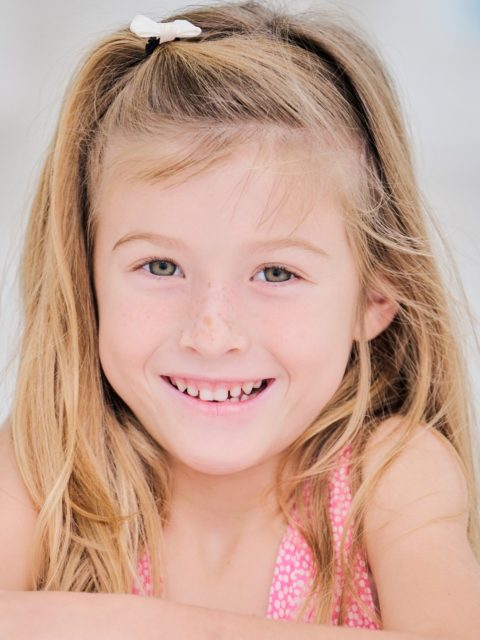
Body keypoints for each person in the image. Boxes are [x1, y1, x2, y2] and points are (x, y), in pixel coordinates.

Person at [0, 1, 479, 637]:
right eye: (161, 266)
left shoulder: (389, 474)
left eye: (276, 274)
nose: (212, 334)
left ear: (373, 298)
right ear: (83, 281)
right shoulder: (48, 465)